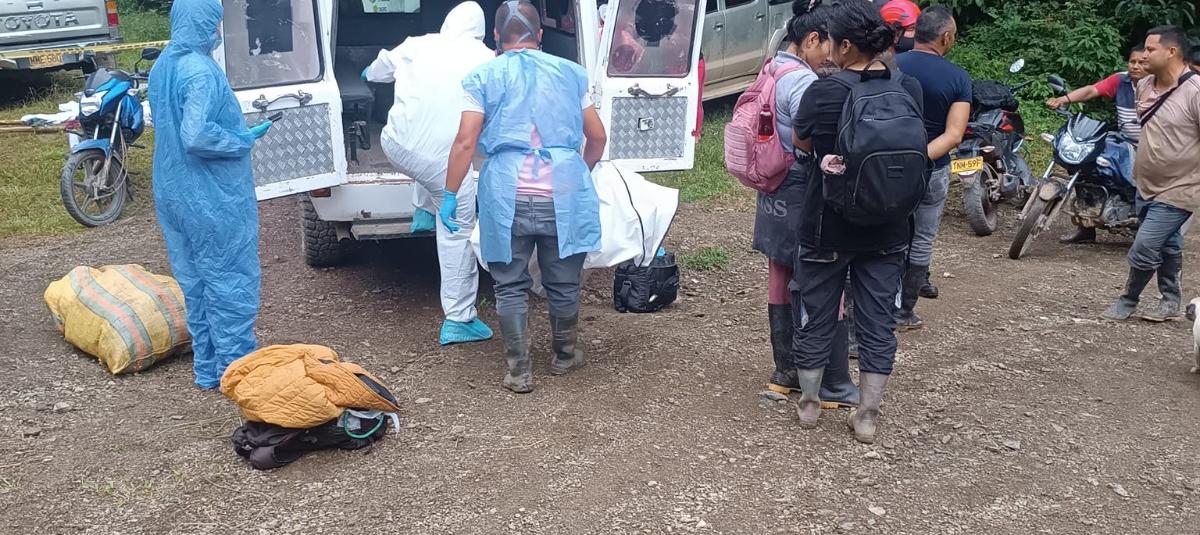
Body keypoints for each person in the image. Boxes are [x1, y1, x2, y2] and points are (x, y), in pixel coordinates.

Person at [442, 0, 607, 393]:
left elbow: (465, 142)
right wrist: (576, 172)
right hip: (563, 190)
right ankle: (565, 355)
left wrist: (449, 194)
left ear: (496, 36)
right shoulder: (571, 73)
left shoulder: (482, 77)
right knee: (563, 281)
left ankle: (519, 371)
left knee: (510, 284)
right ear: (541, 34)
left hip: (506, 194)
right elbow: (598, 136)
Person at [792, 0, 925, 443]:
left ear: (845, 45)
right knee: (878, 320)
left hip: (826, 224)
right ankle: (867, 414)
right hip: (889, 225)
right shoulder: (908, 88)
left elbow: (802, 142)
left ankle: (810, 403)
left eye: (831, 39)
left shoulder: (823, 91)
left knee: (816, 311)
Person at [148, 0, 271, 389]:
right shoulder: (200, 70)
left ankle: (208, 369)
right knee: (230, 278)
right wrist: (241, 139)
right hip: (211, 194)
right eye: (214, 23)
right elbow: (197, 134)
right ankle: (237, 373)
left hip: (172, 188)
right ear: (203, 23)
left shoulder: (162, 65)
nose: (218, 31)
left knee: (195, 281)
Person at [363, 2, 496, 346]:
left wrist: (367, 74)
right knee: (457, 230)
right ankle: (459, 318)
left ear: (448, 24)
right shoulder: (489, 60)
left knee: (427, 162)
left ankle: (424, 212)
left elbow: (378, 70)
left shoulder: (417, 43)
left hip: (394, 144)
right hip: (440, 161)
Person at [757, 0, 858, 408]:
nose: (832, 56)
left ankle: (785, 371)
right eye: (829, 45)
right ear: (812, 39)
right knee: (822, 278)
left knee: (779, 272)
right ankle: (830, 379)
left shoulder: (771, 69)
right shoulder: (802, 82)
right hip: (803, 187)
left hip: (774, 188)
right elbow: (814, 138)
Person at [1103, 26, 1199, 323]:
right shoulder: (1144, 86)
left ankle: (1128, 300)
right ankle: (1170, 301)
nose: (1143, 55)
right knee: (1168, 243)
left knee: (1144, 245)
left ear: (1172, 52)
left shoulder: (1195, 91)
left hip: (1181, 187)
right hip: (1145, 182)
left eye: (1150, 49)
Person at [894, 5, 971, 330]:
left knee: (889, 236)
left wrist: (900, 159)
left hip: (889, 169)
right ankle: (904, 313)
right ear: (946, 37)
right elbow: (954, 135)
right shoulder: (957, 78)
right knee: (922, 238)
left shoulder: (892, 65)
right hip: (932, 169)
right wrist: (920, 157)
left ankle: (879, 307)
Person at [1045, 45, 1149, 244]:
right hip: (1124, 140)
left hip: (1151, 146)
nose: (1135, 66)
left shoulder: (1160, 85)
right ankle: (1085, 227)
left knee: (1143, 184)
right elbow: (1093, 90)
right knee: (1087, 165)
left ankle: (1145, 229)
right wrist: (1063, 100)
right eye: (1132, 61)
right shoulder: (1121, 80)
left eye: (1142, 63)